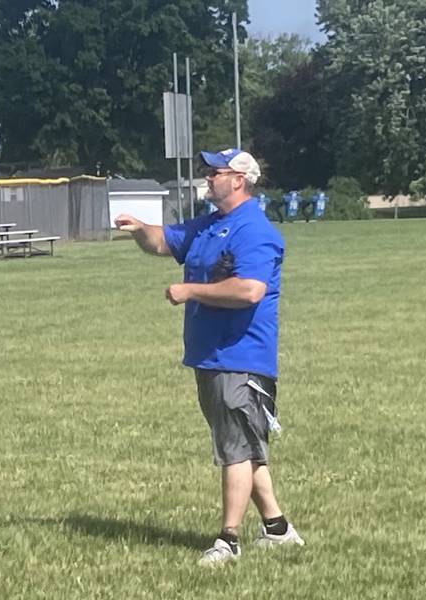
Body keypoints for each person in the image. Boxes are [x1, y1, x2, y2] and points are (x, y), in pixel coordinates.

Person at [114, 149, 304, 565]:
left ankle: (228, 539)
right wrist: (139, 228)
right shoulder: (209, 225)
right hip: (210, 356)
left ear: (238, 180)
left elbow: (249, 290)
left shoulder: (254, 230)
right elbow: (164, 241)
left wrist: (191, 291)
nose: (206, 177)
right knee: (241, 444)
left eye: (213, 172)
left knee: (234, 449)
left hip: (242, 356)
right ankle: (277, 529)